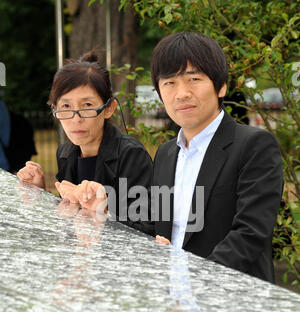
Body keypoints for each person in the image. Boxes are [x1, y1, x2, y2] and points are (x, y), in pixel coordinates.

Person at [151, 32, 283, 283]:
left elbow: (250, 234)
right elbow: (157, 227)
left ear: (221, 86)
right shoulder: (166, 153)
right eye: (169, 83)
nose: (181, 93)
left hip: (230, 302)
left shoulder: (254, 146)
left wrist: (191, 279)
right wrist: (102, 209)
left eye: (194, 79)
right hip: (171, 301)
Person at [17, 51, 153, 225]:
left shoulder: (131, 155)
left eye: (87, 105)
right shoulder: (65, 153)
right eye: (66, 106)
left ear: (108, 108)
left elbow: (147, 228)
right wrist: (40, 192)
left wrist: (101, 213)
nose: (76, 119)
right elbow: (69, 215)